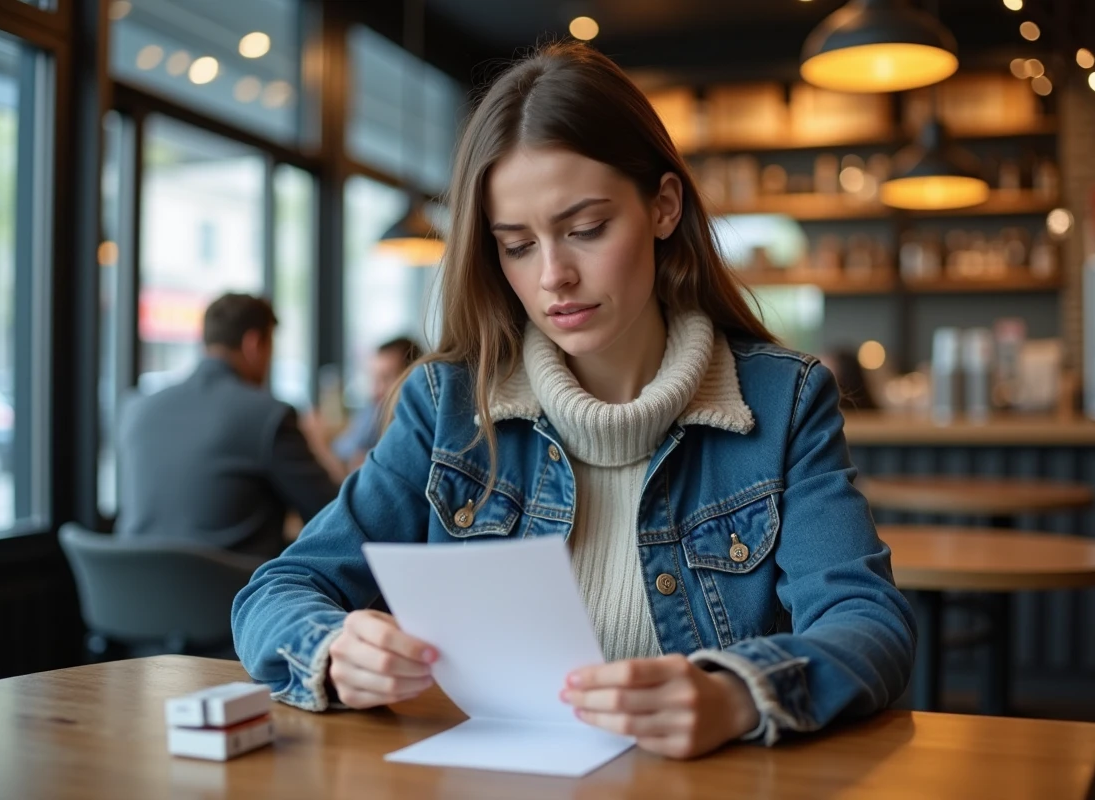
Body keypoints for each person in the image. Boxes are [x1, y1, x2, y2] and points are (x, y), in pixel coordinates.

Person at [233, 42, 915, 758]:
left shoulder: (782, 400)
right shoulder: (445, 406)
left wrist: (737, 694)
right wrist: (336, 648)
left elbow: (868, 622)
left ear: (662, 206)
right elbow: (277, 592)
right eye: (517, 245)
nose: (554, 274)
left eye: (586, 230)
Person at [116, 293, 341, 560]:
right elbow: (332, 518)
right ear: (254, 344)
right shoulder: (269, 414)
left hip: (134, 594)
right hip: (232, 596)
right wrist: (318, 443)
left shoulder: (136, 409)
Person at [331, 336, 423, 471]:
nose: (376, 390)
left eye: (386, 379)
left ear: (412, 378)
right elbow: (344, 454)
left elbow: (347, 471)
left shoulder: (414, 427)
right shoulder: (375, 409)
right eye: (374, 378)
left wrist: (317, 443)